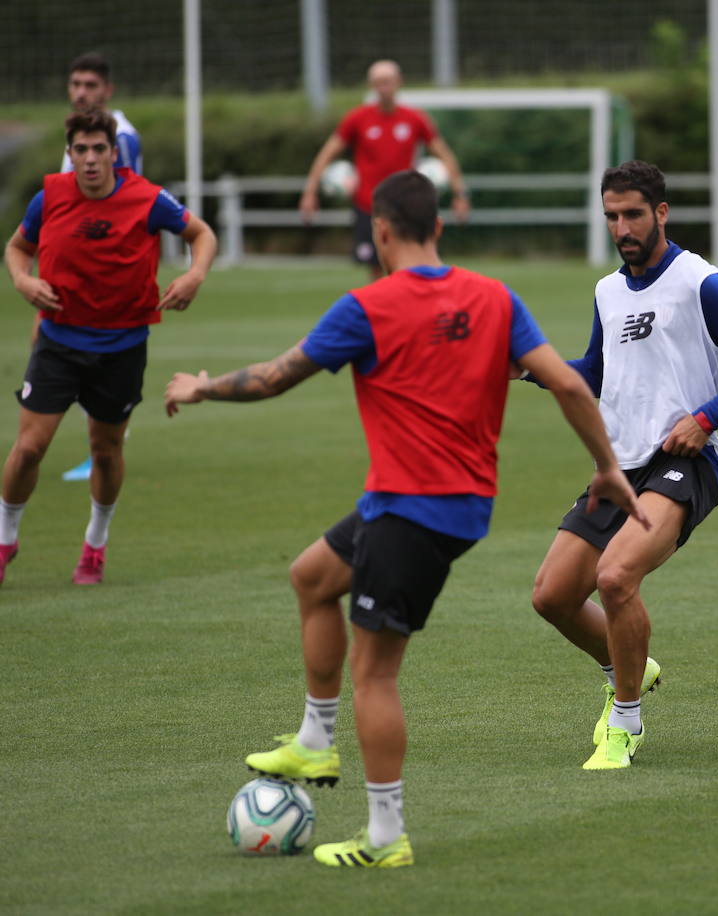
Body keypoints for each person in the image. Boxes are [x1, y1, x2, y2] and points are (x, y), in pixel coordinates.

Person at [164, 170, 645, 868]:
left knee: (377, 676)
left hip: (414, 511)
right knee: (311, 577)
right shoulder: (494, 297)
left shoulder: (368, 306)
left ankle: (385, 837)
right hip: (435, 504)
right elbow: (569, 382)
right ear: (438, 228)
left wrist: (203, 386)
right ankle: (314, 740)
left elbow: (274, 377)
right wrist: (605, 465)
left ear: (380, 231)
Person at [526, 160, 718, 770]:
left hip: (683, 462)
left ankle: (625, 722)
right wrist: (528, 368)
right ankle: (629, 666)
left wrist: (706, 419)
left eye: (633, 214)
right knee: (552, 596)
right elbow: (595, 371)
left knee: (616, 579)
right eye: (612, 216)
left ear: (661, 213)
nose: (622, 227)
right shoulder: (607, 291)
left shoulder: (703, 284)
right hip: (620, 466)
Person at [1, 110, 216, 587]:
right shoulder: (49, 196)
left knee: (105, 450)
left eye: (100, 149)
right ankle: (5, 538)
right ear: (70, 154)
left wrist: (194, 275)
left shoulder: (146, 197)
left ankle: (94, 546)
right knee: (30, 449)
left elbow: (202, 234)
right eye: (82, 150)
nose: (92, 159)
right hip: (58, 341)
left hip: (122, 346)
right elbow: (17, 247)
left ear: (115, 153)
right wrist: (23, 280)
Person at [56, 53, 144, 484]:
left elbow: (124, 202)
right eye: (76, 84)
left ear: (107, 90)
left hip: (104, 274)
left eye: (90, 85)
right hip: (73, 271)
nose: (81, 92)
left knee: (98, 357)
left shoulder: (118, 137)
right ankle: (100, 446)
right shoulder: (80, 135)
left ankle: (104, 450)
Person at [298, 59, 469, 279]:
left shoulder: (414, 118)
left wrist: (460, 194)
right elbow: (327, 153)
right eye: (378, 82)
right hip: (369, 206)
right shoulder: (357, 119)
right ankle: (382, 311)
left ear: (399, 82)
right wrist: (310, 192)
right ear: (371, 85)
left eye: (387, 82)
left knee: (411, 265)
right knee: (376, 268)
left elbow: (444, 155)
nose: (383, 88)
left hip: (405, 207)